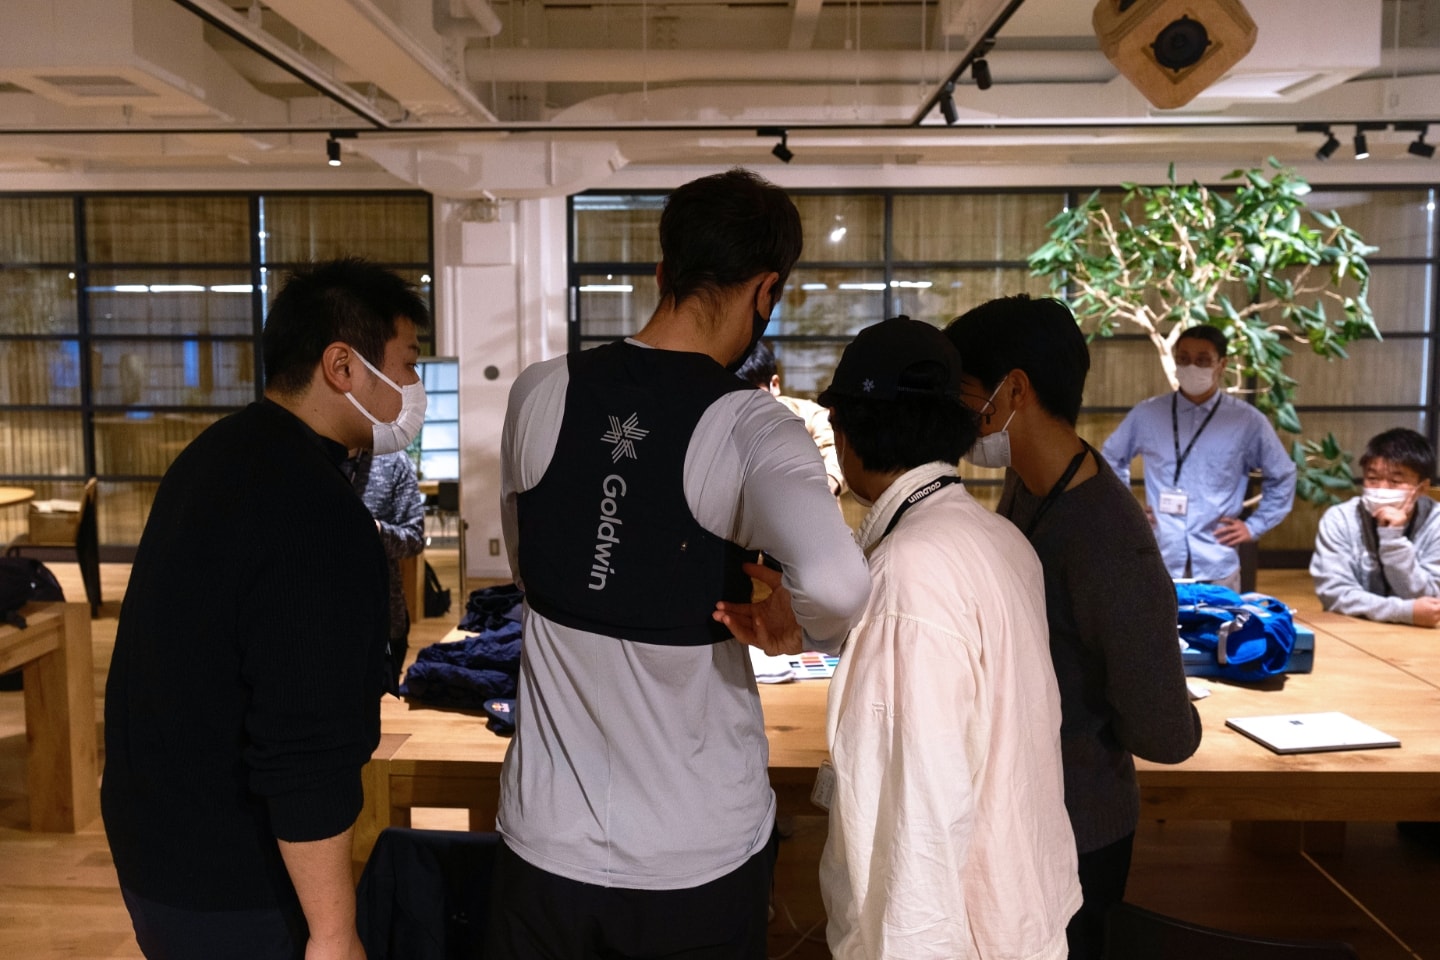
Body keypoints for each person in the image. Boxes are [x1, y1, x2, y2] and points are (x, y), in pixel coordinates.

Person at [490, 167, 871, 959]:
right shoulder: (755, 427)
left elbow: (530, 567)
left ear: (662, 271)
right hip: (694, 850)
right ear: (767, 290)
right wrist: (791, 623)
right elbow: (839, 589)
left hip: (544, 840)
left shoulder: (538, 391)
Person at [102, 258, 429, 960]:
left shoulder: (217, 454)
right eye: (407, 362)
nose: (413, 385)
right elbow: (304, 743)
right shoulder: (312, 508)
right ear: (342, 365)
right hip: (235, 873)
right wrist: (334, 932)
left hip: (157, 843)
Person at [805, 316, 1080, 959]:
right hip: (1017, 914)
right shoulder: (998, 538)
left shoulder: (907, 574)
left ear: (846, 432)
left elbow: (916, 824)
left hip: (961, 938)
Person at [945, 295, 1202, 960]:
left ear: (1015, 391)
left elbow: (1167, 735)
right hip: (1025, 807)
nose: (957, 413)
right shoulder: (1032, 483)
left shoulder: (1108, 536)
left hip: (1078, 827)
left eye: (965, 392)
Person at [1100, 325, 1297, 593]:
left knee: (1218, 622)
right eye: (1183, 359)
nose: (1191, 367)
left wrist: (1254, 526)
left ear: (1222, 364)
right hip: (1159, 555)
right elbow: (1109, 459)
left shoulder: (1246, 421)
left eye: (1203, 360)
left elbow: (1283, 475)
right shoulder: (1147, 414)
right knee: (1157, 620)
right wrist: (1129, 510)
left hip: (1217, 560)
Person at [1311, 427, 1440, 626]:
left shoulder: (1436, 523)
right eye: (1372, 479)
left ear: (1422, 488)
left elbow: (1431, 603)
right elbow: (1334, 593)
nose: (1381, 489)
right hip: (1351, 630)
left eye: (1395, 481)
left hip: (1420, 638)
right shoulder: (1339, 519)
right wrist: (1403, 612)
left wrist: (1392, 539)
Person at [347, 448, 427, 691]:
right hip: (315, 623)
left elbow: (414, 539)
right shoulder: (311, 457)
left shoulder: (393, 462)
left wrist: (376, 531)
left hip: (383, 619)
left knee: (371, 703)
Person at [735, 340, 846, 496]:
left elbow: (835, 451)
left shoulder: (810, 415)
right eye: (737, 400)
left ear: (775, 384)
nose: (747, 409)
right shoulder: (721, 427)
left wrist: (824, 487)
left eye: (755, 397)